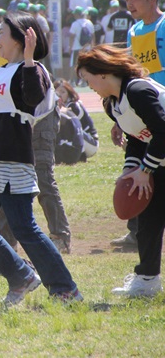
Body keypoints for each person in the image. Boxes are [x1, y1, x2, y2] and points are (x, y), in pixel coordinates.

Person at [0, 13, 82, 305]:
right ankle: (21, 276)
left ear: (21, 38)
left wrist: (28, 60)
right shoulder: (1, 70)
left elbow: (31, 98)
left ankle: (65, 289)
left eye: (1, 33)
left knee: (23, 226)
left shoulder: (34, 69)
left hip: (12, 160)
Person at [80, 45, 165, 296]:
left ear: (103, 73)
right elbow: (138, 138)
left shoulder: (137, 90)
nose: (89, 86)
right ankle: (147, 280)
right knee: (148, 220)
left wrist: (145, 169)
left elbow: (162, 130)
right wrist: (131, 171)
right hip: (159, 160)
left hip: (159, 157)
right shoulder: (113, 104)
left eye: (88, 79)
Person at [111, 0, 165, 248]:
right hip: (142, 109)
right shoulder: (134, 32)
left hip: (161, 110)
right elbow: (134, 73)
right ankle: (138, 231)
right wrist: (121, 118)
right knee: (139, 170)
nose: (128, 3)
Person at [55, 80, 99, 159]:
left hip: (91, 142)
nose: (60, 95)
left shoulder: (74, 105)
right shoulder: (61, 105)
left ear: (69, 93)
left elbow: (75, 128)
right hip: (81, 139)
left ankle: (79, 154)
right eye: (57, 93)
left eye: (63, 92)